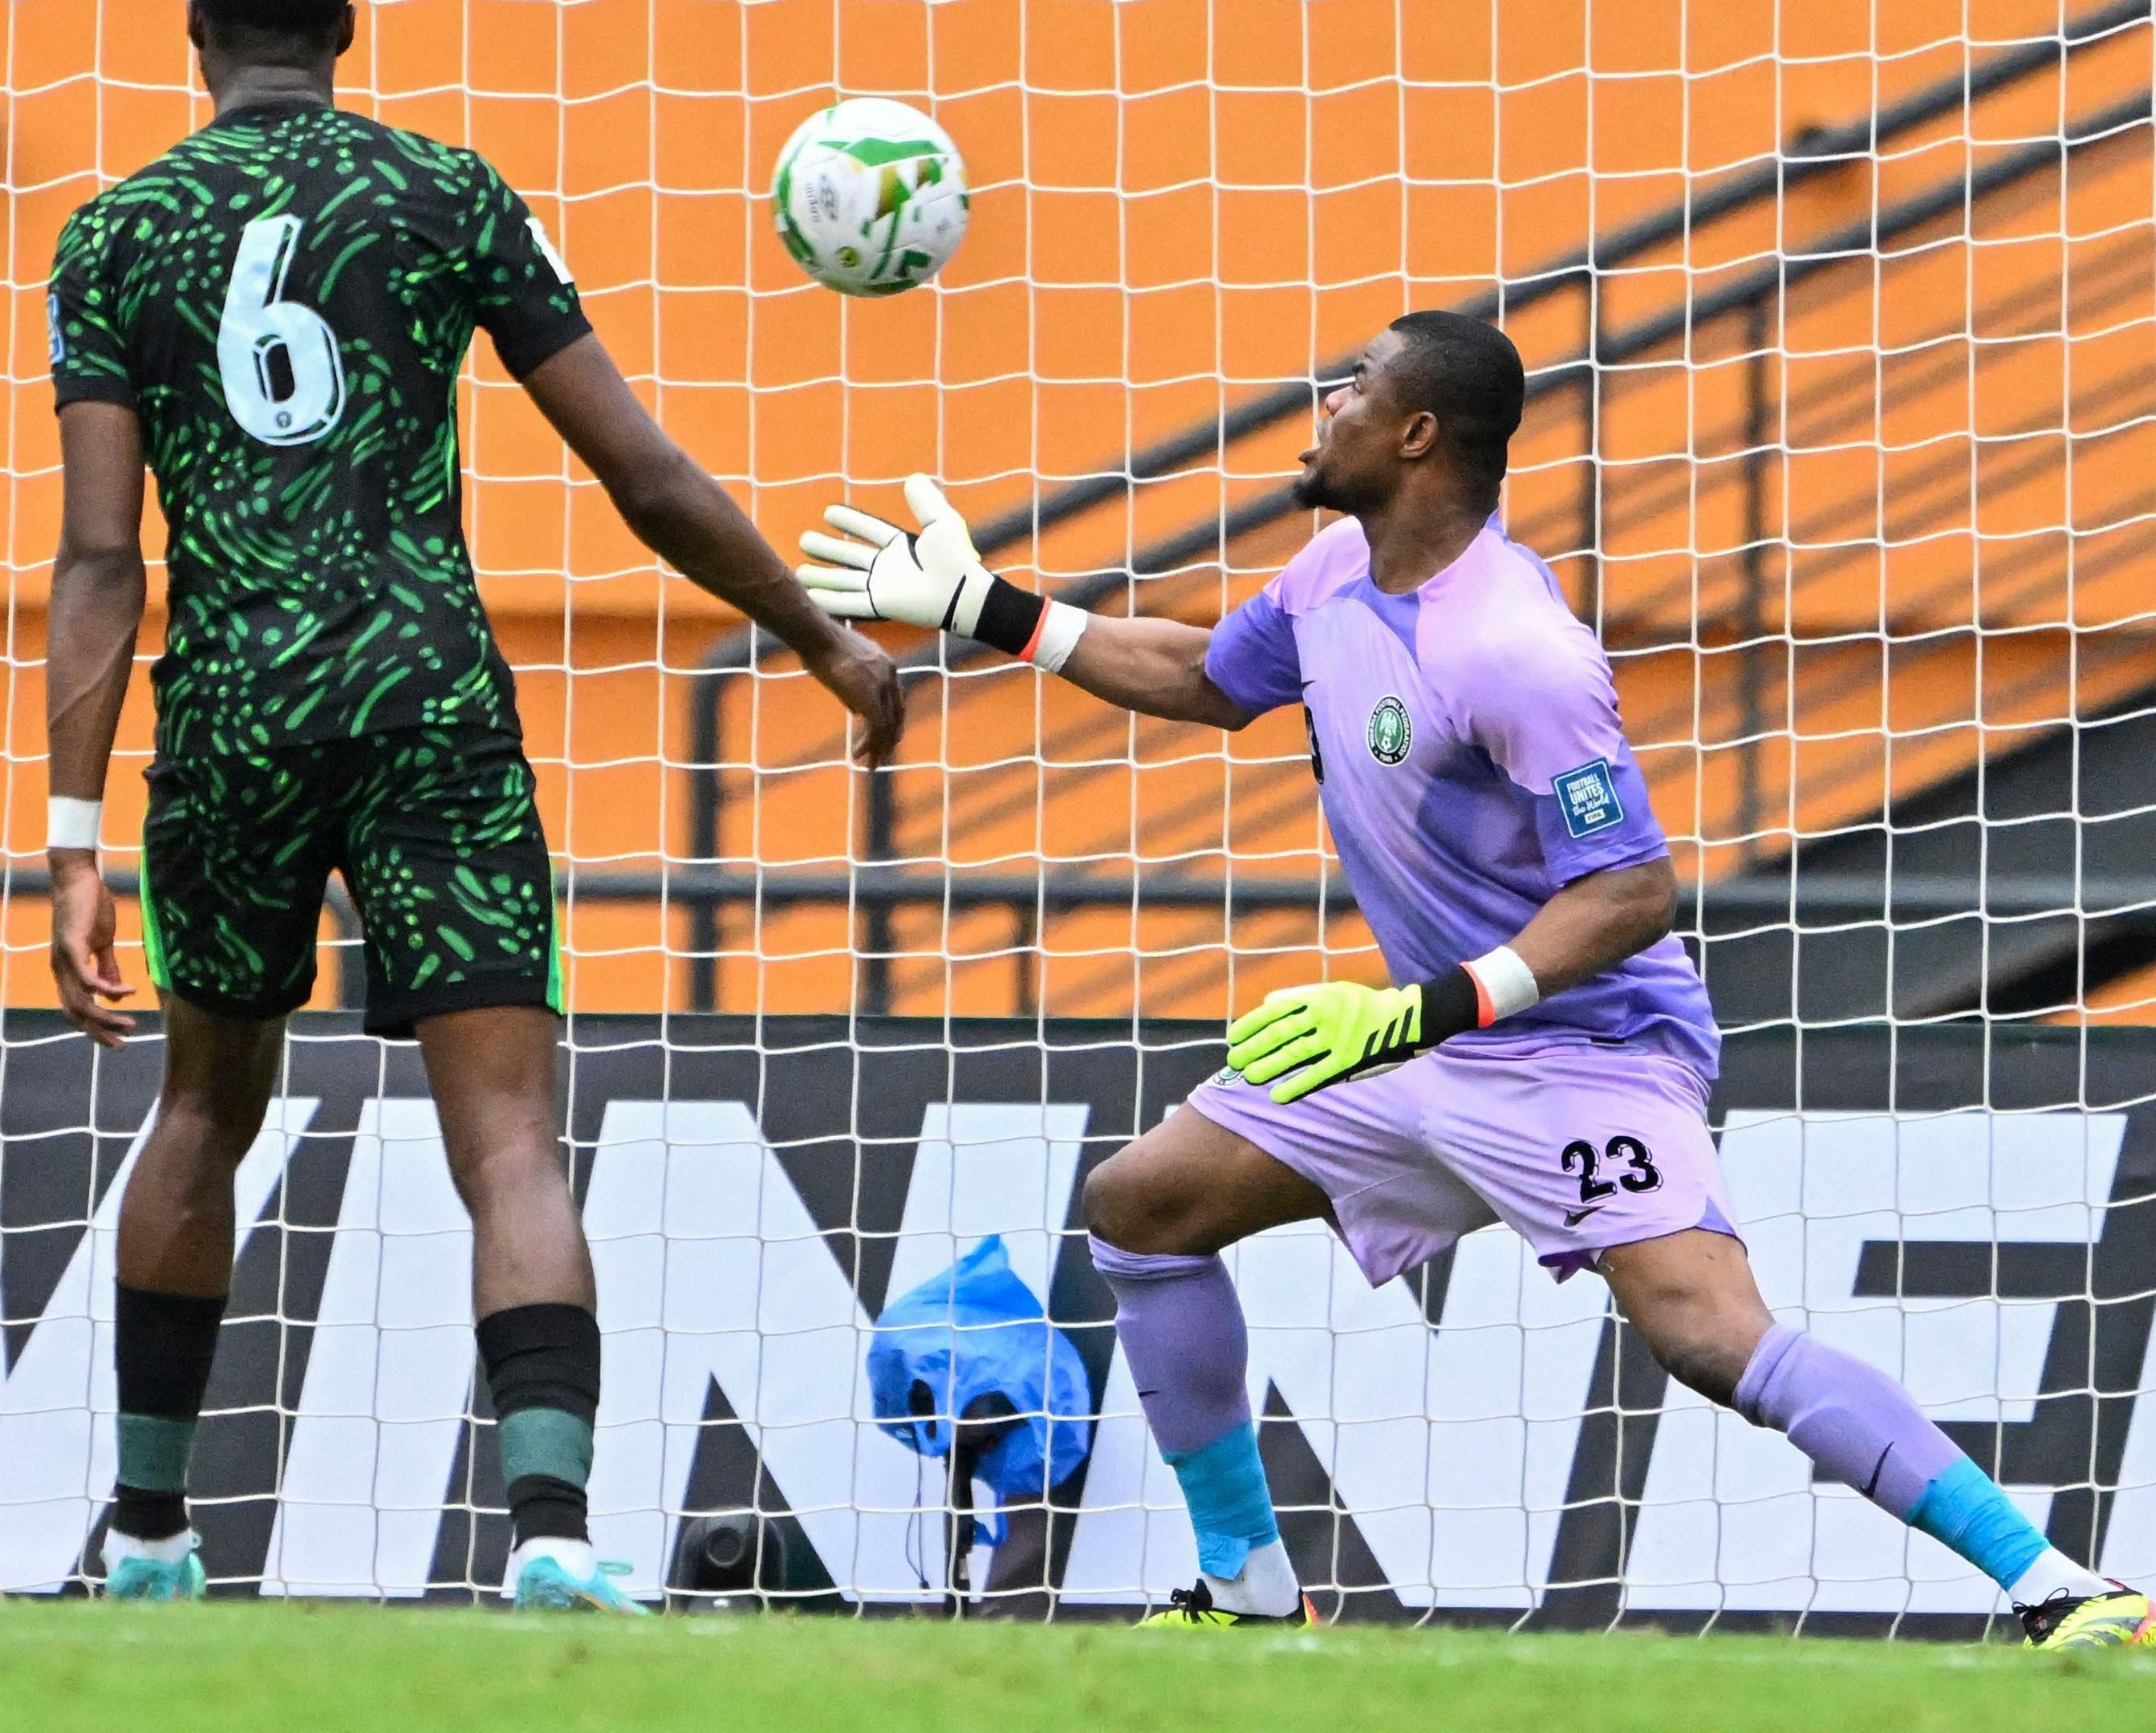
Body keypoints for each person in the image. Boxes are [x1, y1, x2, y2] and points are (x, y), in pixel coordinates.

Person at [793, 310, 2148, 1650]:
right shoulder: (1334, 570)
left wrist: (1420, 1009)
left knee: (1708, 1333)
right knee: (1144, 1205)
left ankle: (2060, 1587)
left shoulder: (1516, 650)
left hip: (1586, 1050)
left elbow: (1628, 890)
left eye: (1356, 385)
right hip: (1426, 1038)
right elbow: (1208, 675)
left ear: (1417, 432)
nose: (1327, 399)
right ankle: (1247, 1584)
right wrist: (987, 606)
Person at [43, 0, 905, 1611]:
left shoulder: (116, 234)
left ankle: (148, 1535)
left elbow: (98, 555)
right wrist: (812, 631)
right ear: (348, 32)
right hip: (428, 696)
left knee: (203, 1105)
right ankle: (554, 1537)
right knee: (509, 1134)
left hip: (231, 710)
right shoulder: (446, 194)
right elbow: (642, 474)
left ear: (193, 36)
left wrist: (74, 833)